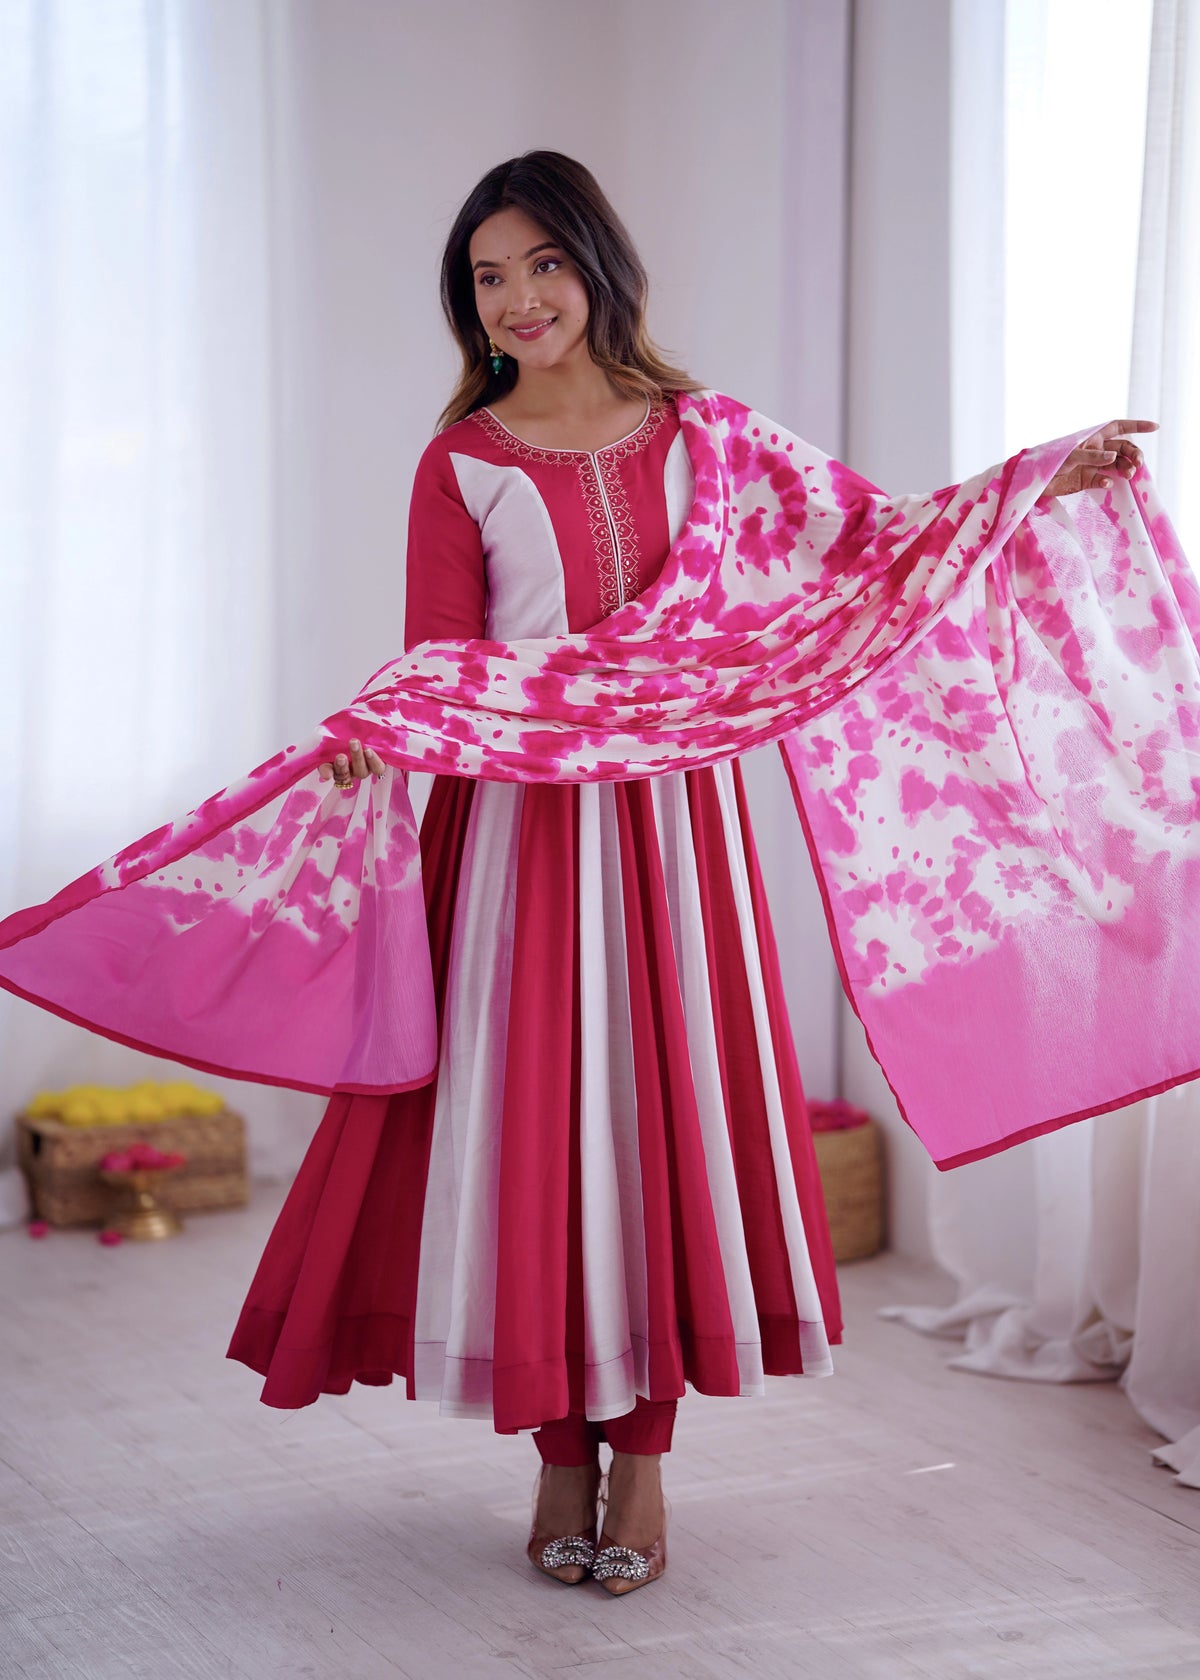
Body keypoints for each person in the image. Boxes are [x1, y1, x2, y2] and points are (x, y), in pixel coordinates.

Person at [226, 149, 1151, 1596]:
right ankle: (554, 1448)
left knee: (660, 1130)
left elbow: (876, 543)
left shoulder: (711, 438)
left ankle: (644, 1455)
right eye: (490, 276)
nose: (522, 297)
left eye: (543, 262)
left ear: (600, 265)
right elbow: (441, 659)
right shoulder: (461, 461)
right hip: (515, 835)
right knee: (525, 1143)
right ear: (467, 306)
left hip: (670, 831)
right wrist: (373, 732)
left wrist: (1043, 476)